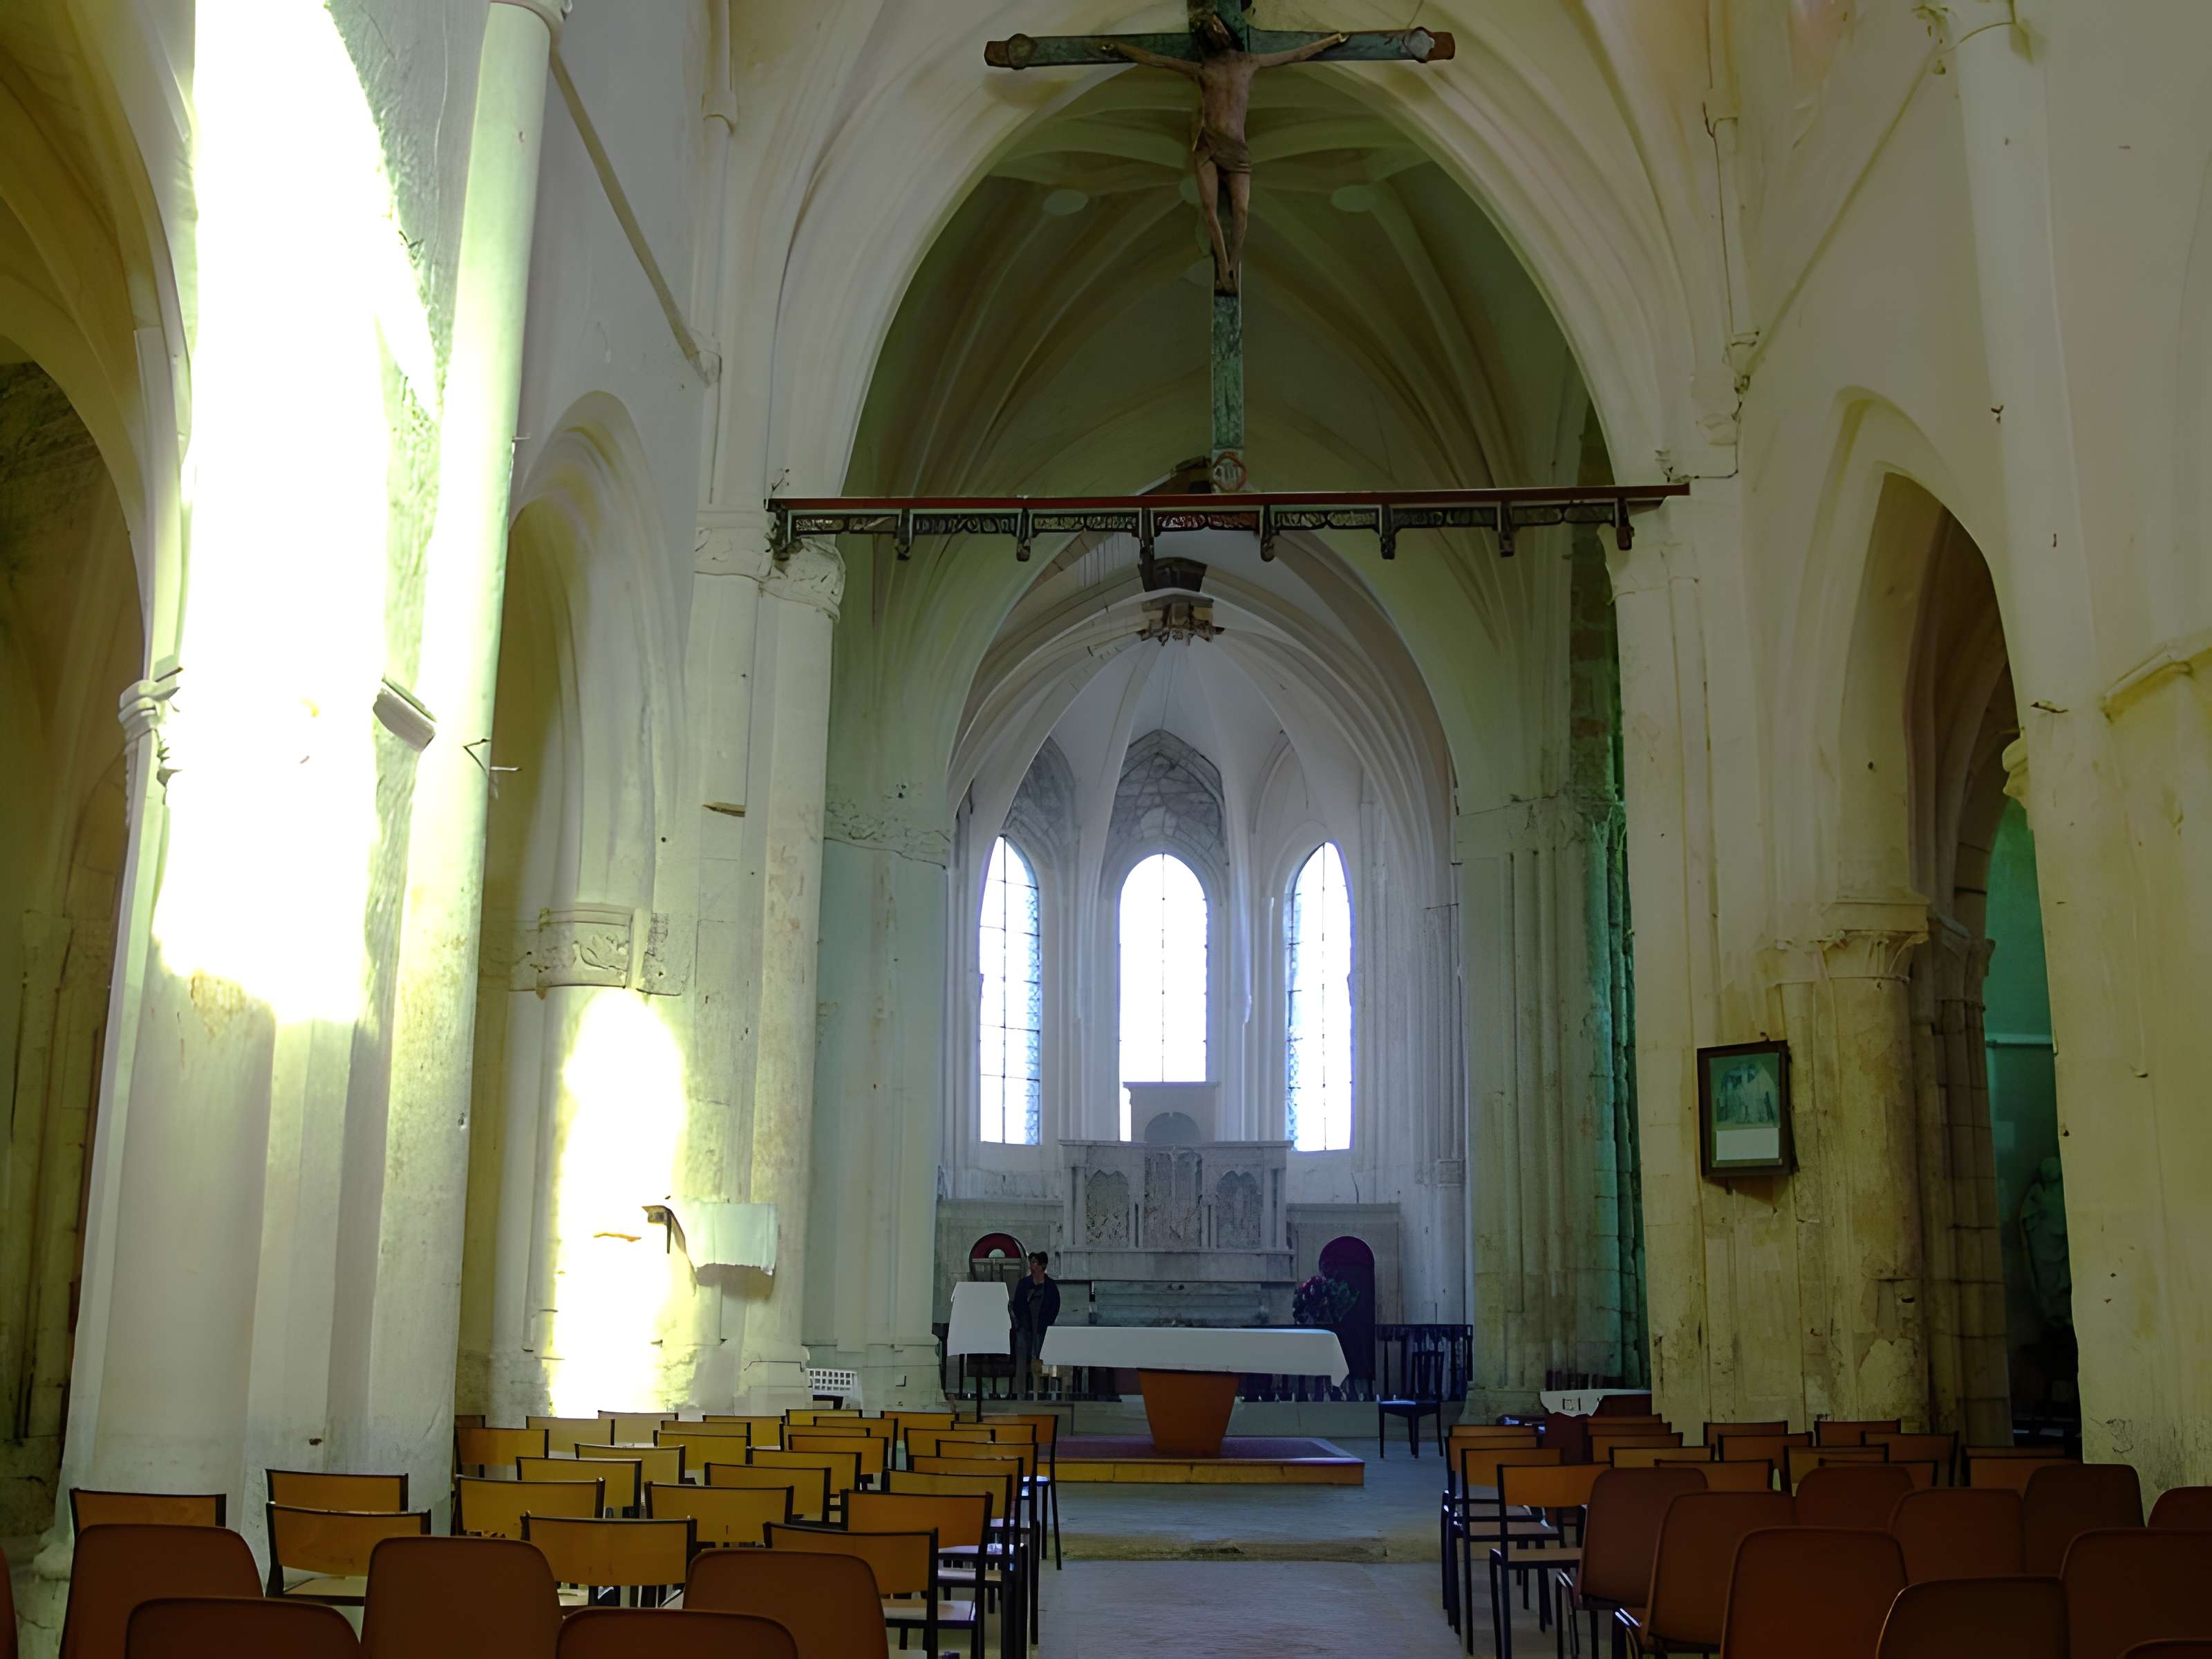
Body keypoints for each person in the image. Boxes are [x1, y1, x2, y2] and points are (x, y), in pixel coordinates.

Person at [1099, 15, 1348, 293]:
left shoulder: (1249, 62)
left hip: (1237, 150)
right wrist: (1120, 49)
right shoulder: (1204, 68)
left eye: (1218, 25)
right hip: (1207, 145)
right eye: (1210, 29)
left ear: (1228, 31)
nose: (1216, 30)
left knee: (1241, 211)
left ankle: (1234, 263)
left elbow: (1295, 54)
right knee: (1210, 210)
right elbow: (1156, 60)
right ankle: (1222, 267)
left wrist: (1330, 42)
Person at [1009, 1250, 1060, 1399]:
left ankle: (1042, 1394)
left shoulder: (1051, 1287)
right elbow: (1016, 1306)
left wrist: (1047, 1325)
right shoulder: (1024, 1284)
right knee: (1021, 1360)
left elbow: (1055, 1307)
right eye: (1031, 1262)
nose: (1032, 1266)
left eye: (1035, 1263)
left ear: (1043, 1266)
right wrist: (1020, 1324)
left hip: (1042, 1330)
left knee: (1042, 1361)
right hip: (1025, 1329)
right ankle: (1021, 1394)